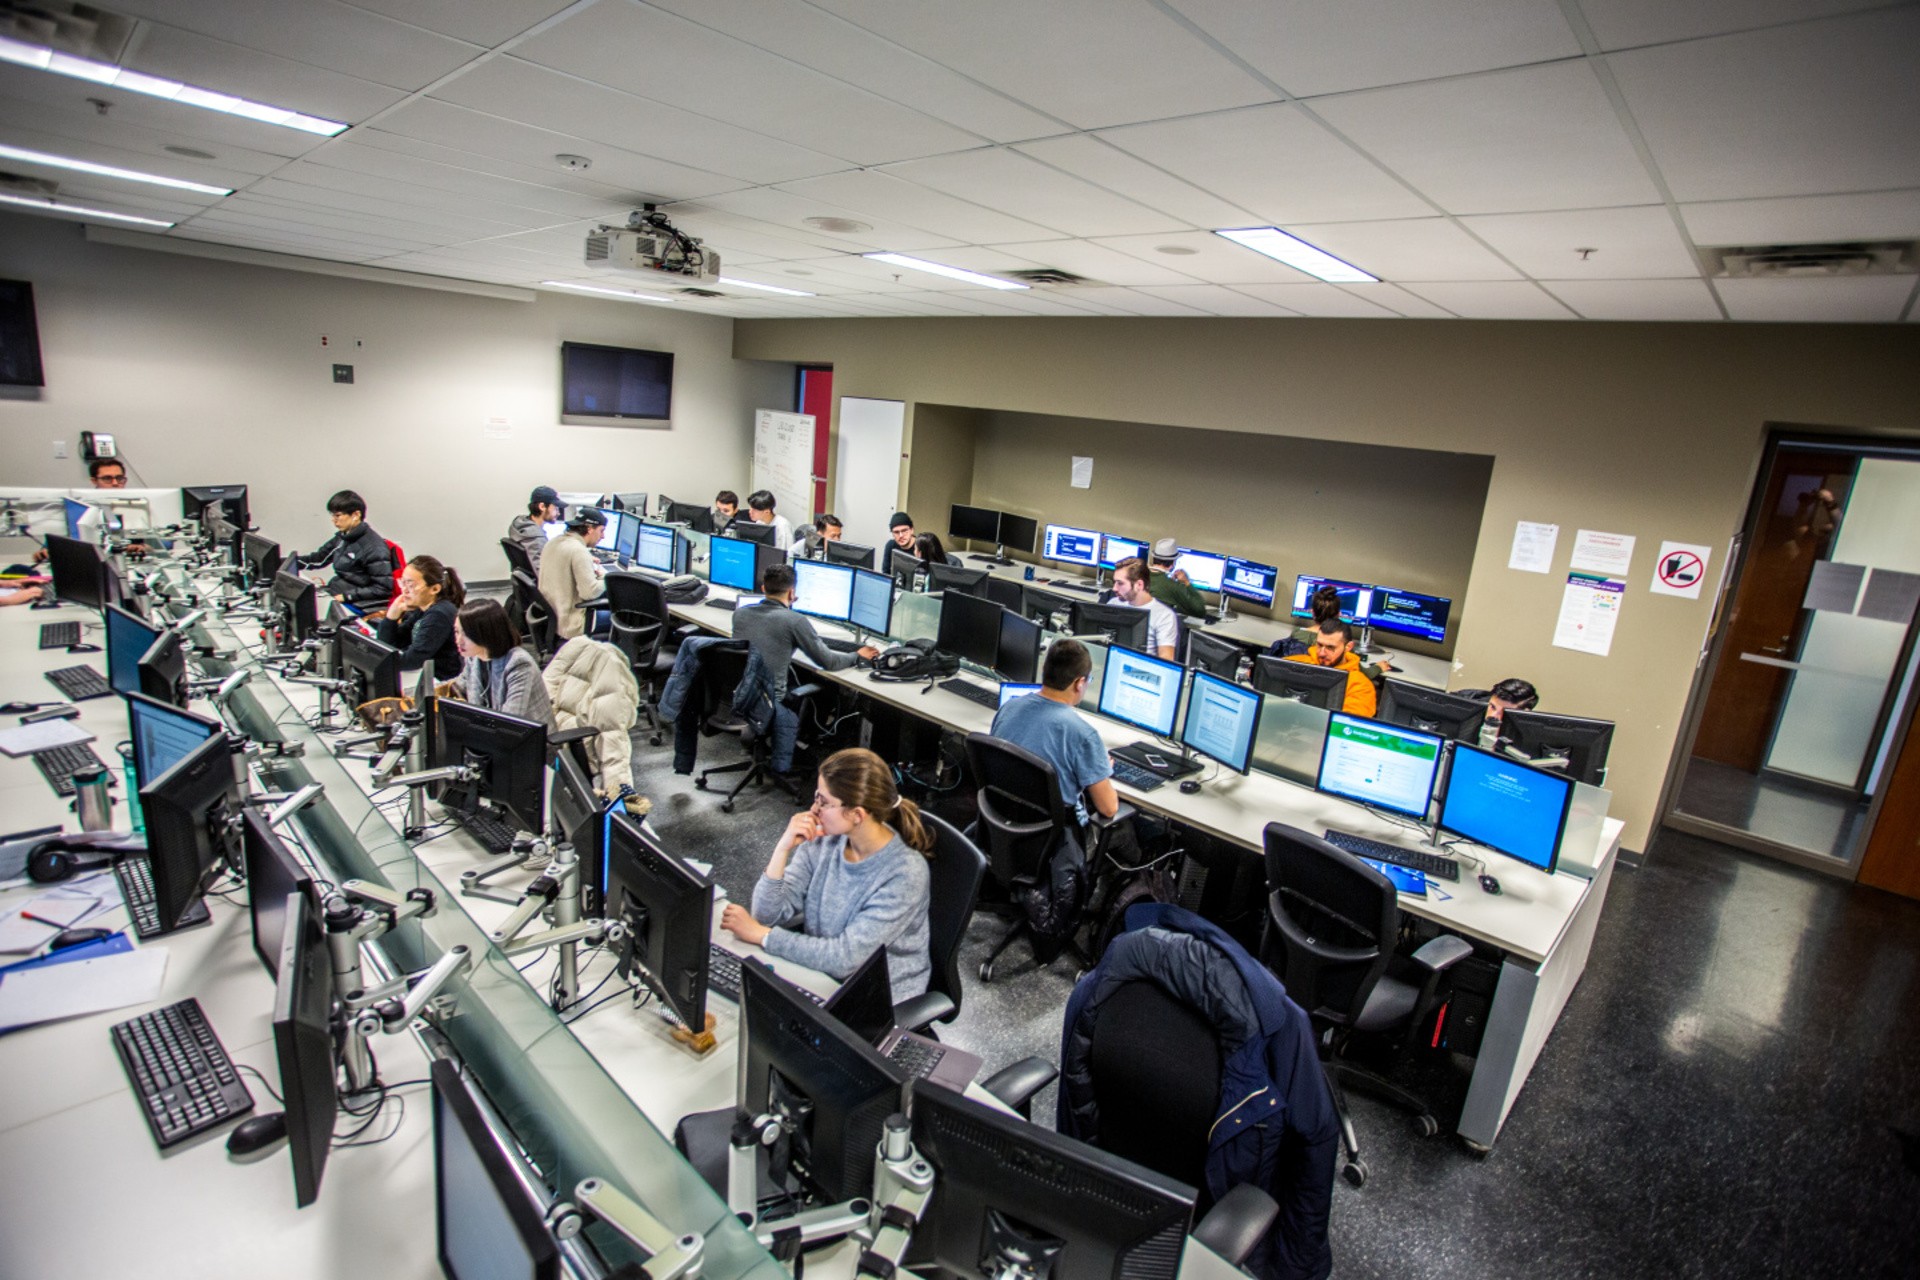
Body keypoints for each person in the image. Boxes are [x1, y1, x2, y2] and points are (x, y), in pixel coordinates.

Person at [719, 747, 934, 997]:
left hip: (875, 995)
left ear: (856, 814)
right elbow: (766, 915)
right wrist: (782, 849)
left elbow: (845, 959)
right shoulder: (825, 840)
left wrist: (764, 937)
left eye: (824, 802)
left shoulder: (905, 874)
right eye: (816, 797)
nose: (814, 808)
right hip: (819, 973)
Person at [733, 563, 879, 772]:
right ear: (792, 593)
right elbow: (830, 662)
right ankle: (815, 741)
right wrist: (857, 655)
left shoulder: (740, 614)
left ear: (763, 588)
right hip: (773, 700)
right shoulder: (795, 621)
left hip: (745, 694)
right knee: (825, 687)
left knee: (800, 674)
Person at [989, 638, 1120, 825]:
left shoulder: (1009, 707)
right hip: (1054, 836)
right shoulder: (1083, 735)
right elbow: (1108, 808)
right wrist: (1101, 768)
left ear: (1044, 669)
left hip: (999, 821)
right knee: (1129, 829)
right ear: (1079, 683)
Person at [448, 598, 551, 725]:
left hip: (526, 735)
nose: (458, 640)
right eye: (456, 632)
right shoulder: (474, 657)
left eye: (466, 634)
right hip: (489, 730)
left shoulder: (519, 664)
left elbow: (509, 721)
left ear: (486, 633)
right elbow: (459, 687)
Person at [299, 490, 395, 611]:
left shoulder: (375, 548)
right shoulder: (344, 537)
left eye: (338, 515)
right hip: (336, 590)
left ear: (356, 515)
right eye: (332, 515)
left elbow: (383, 589)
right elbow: (319, 559)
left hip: (354, 602)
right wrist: (287, 562)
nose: (333, 520)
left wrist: (347, 596)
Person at [374, 555, 465, 678]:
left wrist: (380, 660)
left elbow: (412, 661)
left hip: (438, 680)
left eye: (411, 585)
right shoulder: (422, 609)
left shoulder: (439, 615)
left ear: (434, 589)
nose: (404, 590)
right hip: (421, 674)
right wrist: (391, 617)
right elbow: (392, 644)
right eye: (403, 583)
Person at [538, 506, 608, 640]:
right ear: (589, 529)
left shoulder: (554, 542)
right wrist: (607, 578)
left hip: (554, 617)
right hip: (572, 624)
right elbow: (589, 593)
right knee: (623, 617)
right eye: (601, 530)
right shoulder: (578, 551)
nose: (603, 536)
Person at [1285, 619, 1376, 717]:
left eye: (1330, 647)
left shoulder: (1361, 686)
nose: (1322, 653)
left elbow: (1348, 722)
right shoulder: (1295, 662)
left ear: (1348, 647)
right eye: (1319, 645)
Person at [1109, 557, 1179, 660]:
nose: (1114, 588)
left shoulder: (1164, 616)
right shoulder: (1113, 604)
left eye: (1120, 583)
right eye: (1114, 582)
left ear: (1139, 585)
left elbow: (1166, 659)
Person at [1147, 538, 1209, 618]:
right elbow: (1200, 611)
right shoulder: (1173, 586)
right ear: (1172, 563)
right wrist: (1187, 582)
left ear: (1154, 558)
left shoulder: (1138, 575)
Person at [506, 486, 562, 571]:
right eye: (555, 508)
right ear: (542, 506)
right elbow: (541, 573)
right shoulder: (536, 540)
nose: (558, 513)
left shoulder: (520, 526)